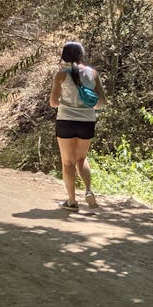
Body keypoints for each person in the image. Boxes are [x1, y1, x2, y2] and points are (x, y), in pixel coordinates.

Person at [49, 41, 106, 210]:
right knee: (81, 159)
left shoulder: (61, 75)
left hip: (66, 121)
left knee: (68, 163)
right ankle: (88, 190)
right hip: (87, 122)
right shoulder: (93, 73)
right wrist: (86, 107)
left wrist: (67, 104)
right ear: (82, 55)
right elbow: (102, 102)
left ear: (64, 57)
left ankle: (72, 201)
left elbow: (53, 102)